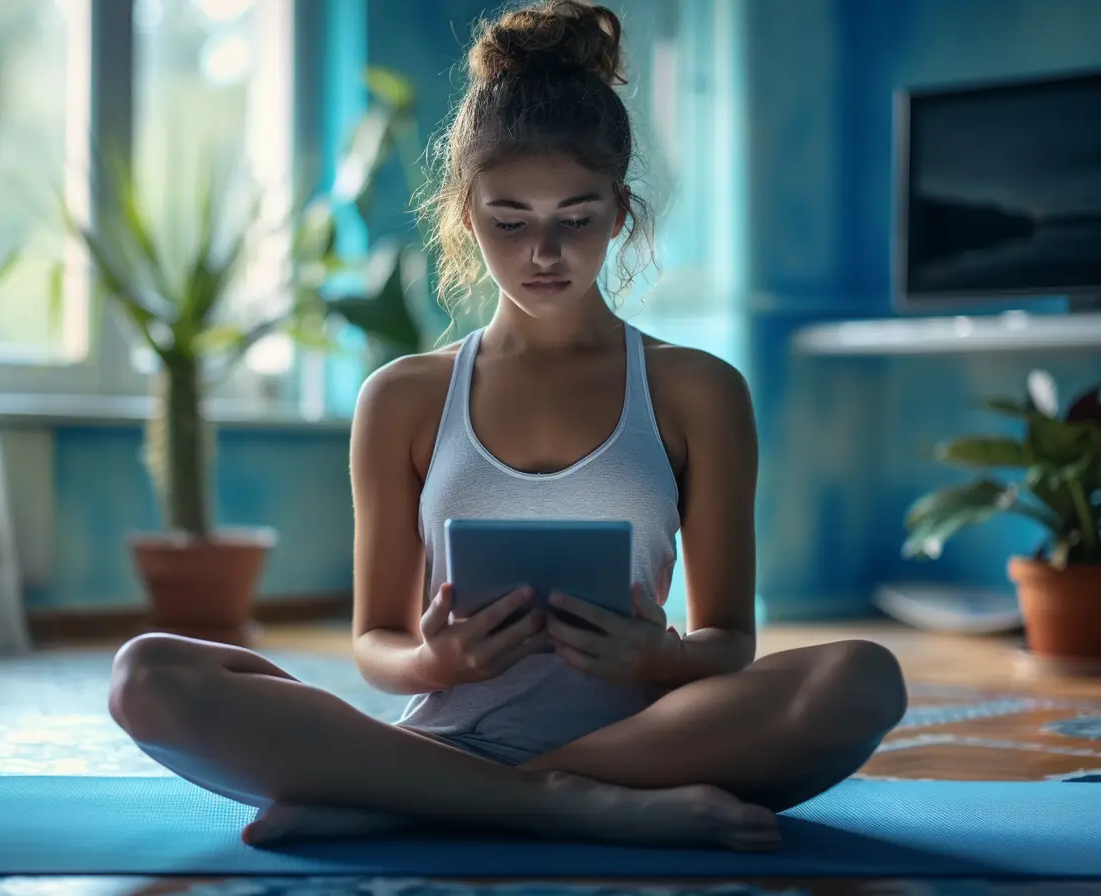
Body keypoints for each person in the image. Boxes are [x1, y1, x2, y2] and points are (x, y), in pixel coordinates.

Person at [107, 0, 908, 851]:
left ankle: (424, 800)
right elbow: (376, 641)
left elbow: (729, 642)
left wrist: (660, 661)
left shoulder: (697, 390)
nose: (544, 253)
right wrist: (434, 664)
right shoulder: (403, 397)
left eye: (577, 217)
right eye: (510, 221)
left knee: (863, 679)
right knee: (147, 674)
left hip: (649, 748)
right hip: (453, 733)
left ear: (621, 212)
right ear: (465, 215)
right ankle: (563, 806)